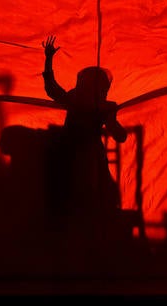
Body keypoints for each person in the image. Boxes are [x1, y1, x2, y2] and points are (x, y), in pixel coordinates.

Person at [40, 35, 126, 228]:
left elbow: (52, 89)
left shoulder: (83, 100)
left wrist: (48, 59)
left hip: (79, 154)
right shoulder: (92, 102)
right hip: (76, 154)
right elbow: (120, 136)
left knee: (72, 183)